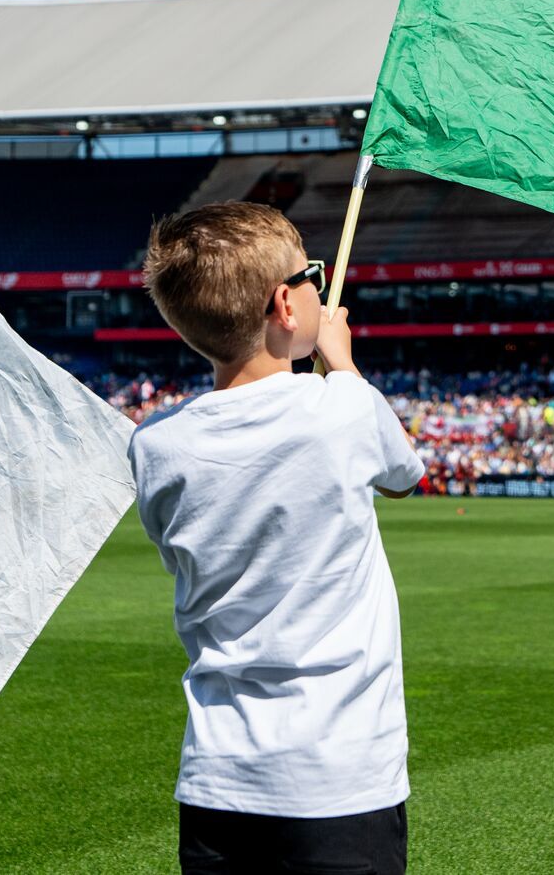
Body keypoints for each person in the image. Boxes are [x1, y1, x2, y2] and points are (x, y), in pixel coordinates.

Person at [131, 203, 425, 875]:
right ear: (285, 306)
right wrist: (343, 365)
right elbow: (405, 474)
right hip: (339, 778)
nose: (323, 284)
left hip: (218, 778)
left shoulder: (155, 443)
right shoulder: (342, 407)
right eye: (311, 275)